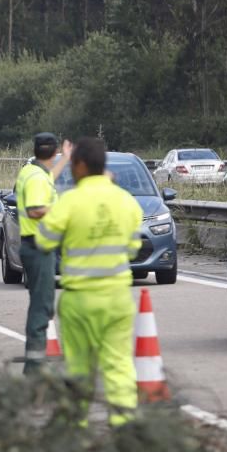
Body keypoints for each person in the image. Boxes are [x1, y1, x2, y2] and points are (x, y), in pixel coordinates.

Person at [35, 137, 143, 426]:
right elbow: (133, 248)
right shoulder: (126, 201)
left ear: (81, 165)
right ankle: (124, 428)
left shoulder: (69, 201)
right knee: (119, 365)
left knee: (79, 368)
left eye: (72, 164)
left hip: (79, 300)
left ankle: (75, 430)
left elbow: (44, 239)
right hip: (117, 297)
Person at [13, 133, 71, 374]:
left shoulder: (32, 171)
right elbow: (36, 210)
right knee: (42, 307)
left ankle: (34, 364)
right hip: (38, 247)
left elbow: (48, 177)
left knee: (40, 305)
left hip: (33, 246)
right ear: (53, 150)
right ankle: (34, 368)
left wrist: (65, 160)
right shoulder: (37, 178)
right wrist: (63, 209)